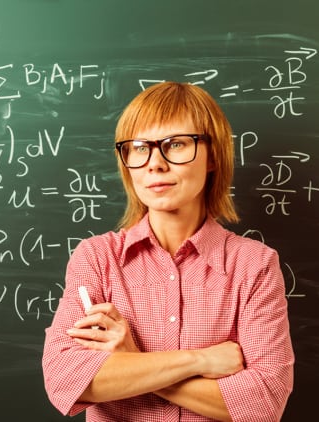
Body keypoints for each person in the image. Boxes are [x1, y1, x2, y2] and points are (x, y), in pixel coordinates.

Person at [42, 81, 294, 421]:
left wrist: (129, 358)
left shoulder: (255, 265)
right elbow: (67, 380)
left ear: (212, 156)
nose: (154, 164)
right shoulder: (97, 259)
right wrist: (201, 360)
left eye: (175, 144)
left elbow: (263, 403)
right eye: (138, 147)